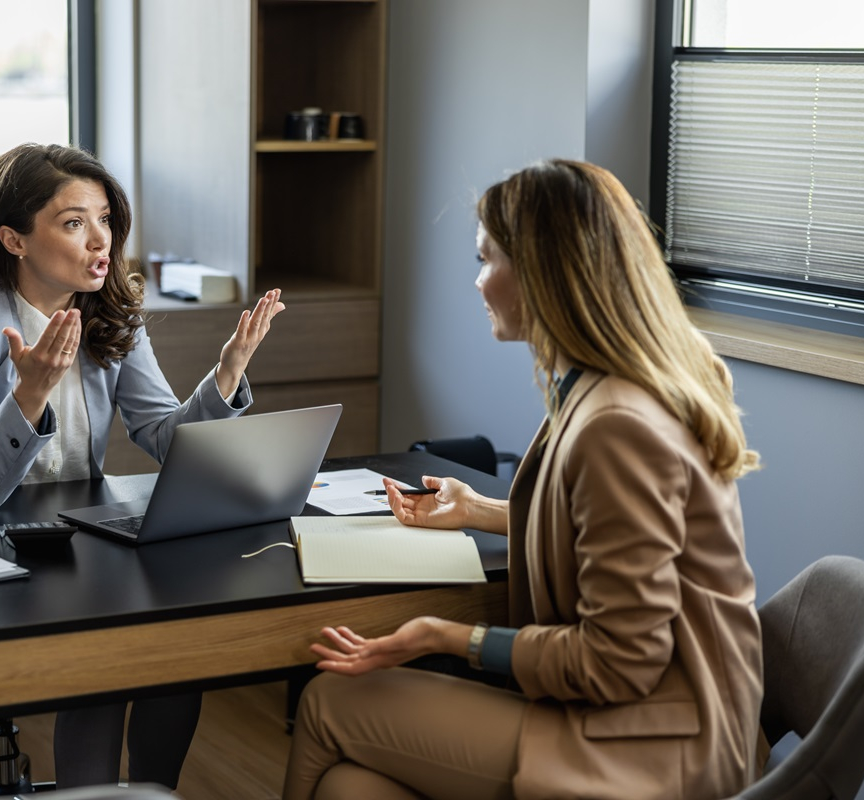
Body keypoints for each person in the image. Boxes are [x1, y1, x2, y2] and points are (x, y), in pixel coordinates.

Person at [282, 159, 764, 800]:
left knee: (328, 701)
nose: (479, 283)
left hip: (656, 744)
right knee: (351, 788)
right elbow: (600, 537)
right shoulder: (614, 384)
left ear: (541, 275)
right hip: (651, 717)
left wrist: (445, 636)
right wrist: (479, 509)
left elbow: (619, 662)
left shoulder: (615, 424)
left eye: (488, 260)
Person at [0, 142, 284, 790]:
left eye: (104, 219)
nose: (100, 240)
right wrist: (30, 392)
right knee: (107, 650)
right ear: (14, 239)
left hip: (65, 534)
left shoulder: (109, 310)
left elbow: (164, 437)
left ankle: (154, 794)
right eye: (74, 222)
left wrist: (226, 377)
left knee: (176, 646)